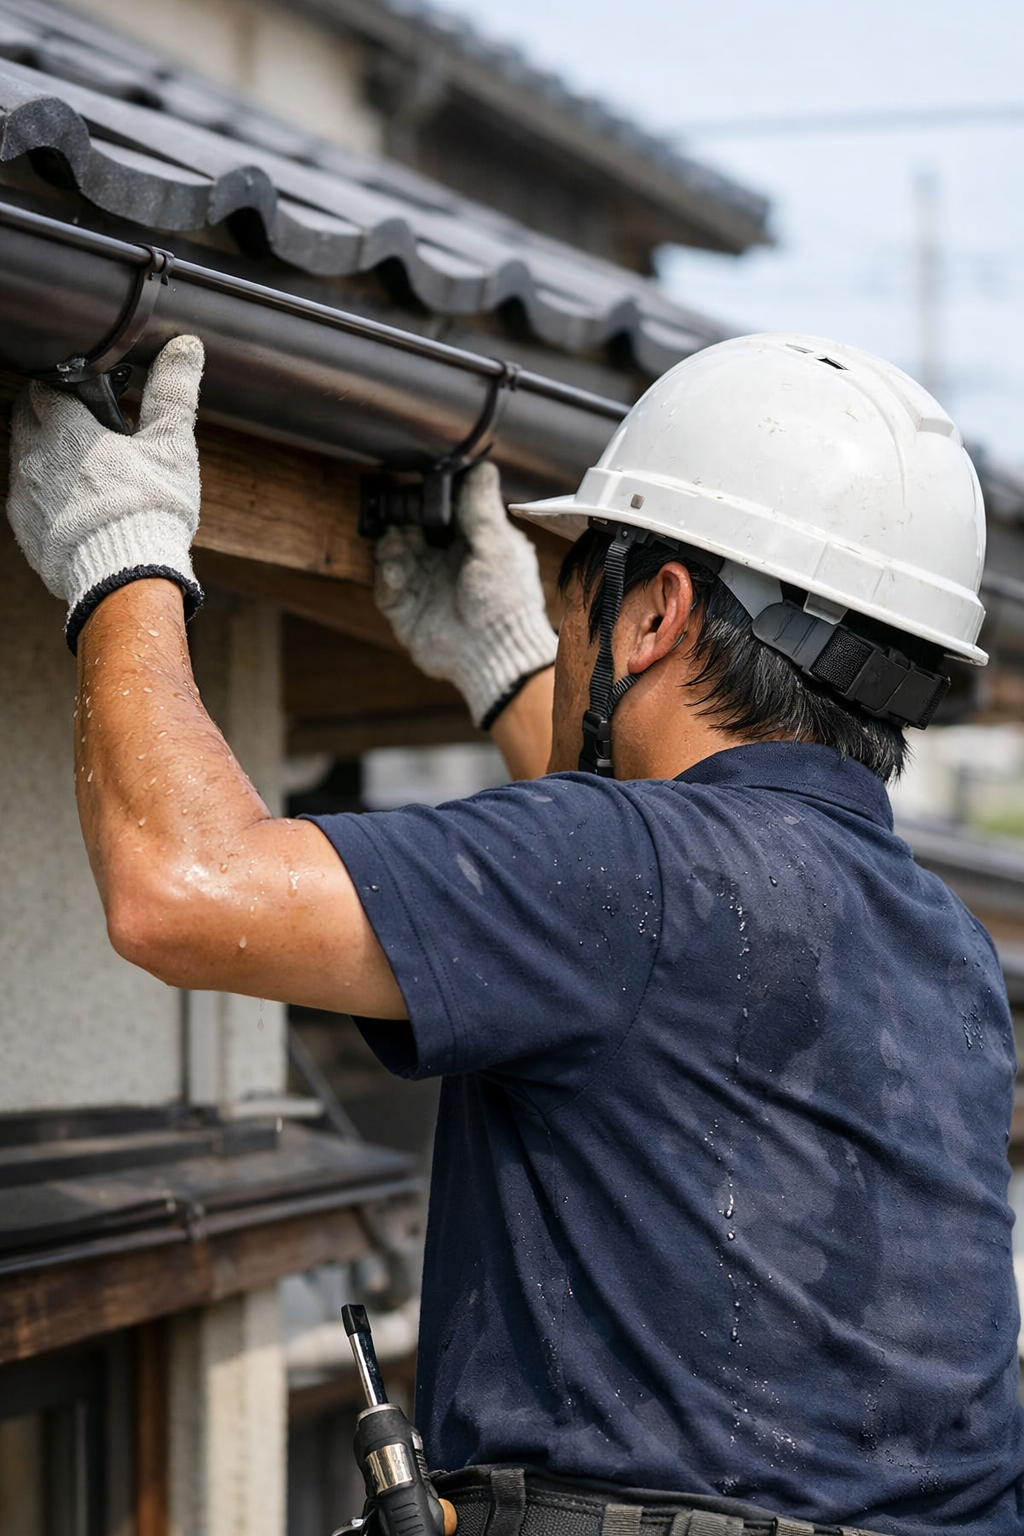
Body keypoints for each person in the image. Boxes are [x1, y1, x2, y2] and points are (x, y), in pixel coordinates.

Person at [7, 331, 1024, 1536]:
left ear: (657, 611)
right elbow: (619, 928)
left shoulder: (626, 877)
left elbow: (183, 886)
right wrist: (506, 668)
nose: (568, 625)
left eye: (578, 592)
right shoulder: (946, 947)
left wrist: (120, 552)